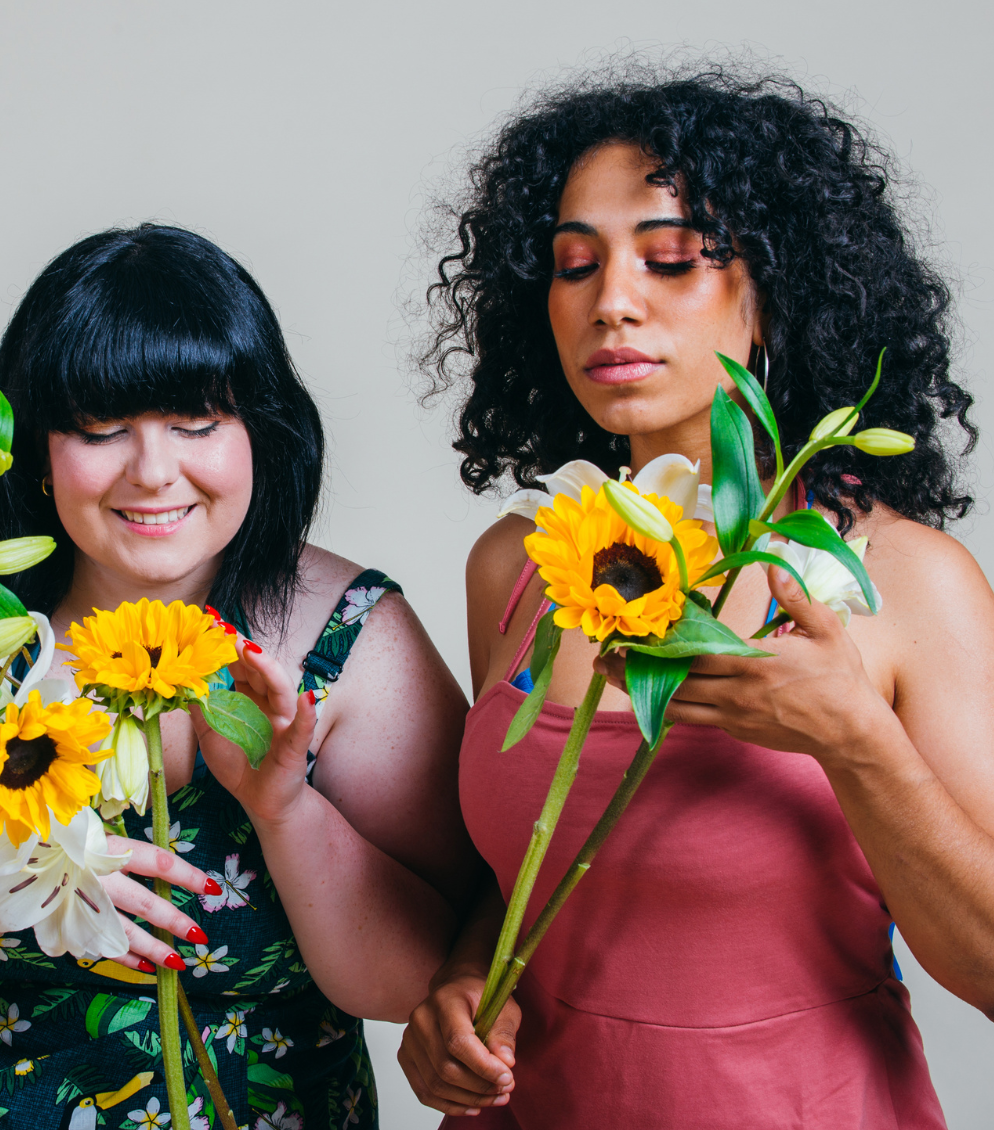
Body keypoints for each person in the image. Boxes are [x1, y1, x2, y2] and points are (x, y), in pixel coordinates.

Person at [0, 224, 476, 1130]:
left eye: (196, 423)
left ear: (261, 429)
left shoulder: (354, 639)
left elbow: (422, 984)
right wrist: (19, 862)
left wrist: (283, 809)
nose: (152, 472)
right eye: (100, 428)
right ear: (28, 444)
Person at [397, 67, 987, 1127]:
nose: (612, 299)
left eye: (671, 259)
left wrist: (858, 740)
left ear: (774, 291)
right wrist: (460, 982)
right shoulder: (521, 564)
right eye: (575, 264)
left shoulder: (899, 583)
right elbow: (539, 857)